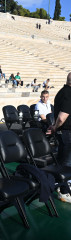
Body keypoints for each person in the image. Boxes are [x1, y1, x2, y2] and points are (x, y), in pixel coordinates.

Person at [49, 73, 71, 203]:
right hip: (67, 133)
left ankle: (62, 185)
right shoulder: (68, 93)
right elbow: (62, 117)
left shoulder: (63, 91)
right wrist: (55, 127)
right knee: (66, 163)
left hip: (66, 132)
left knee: (63, 160)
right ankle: (63, 191)